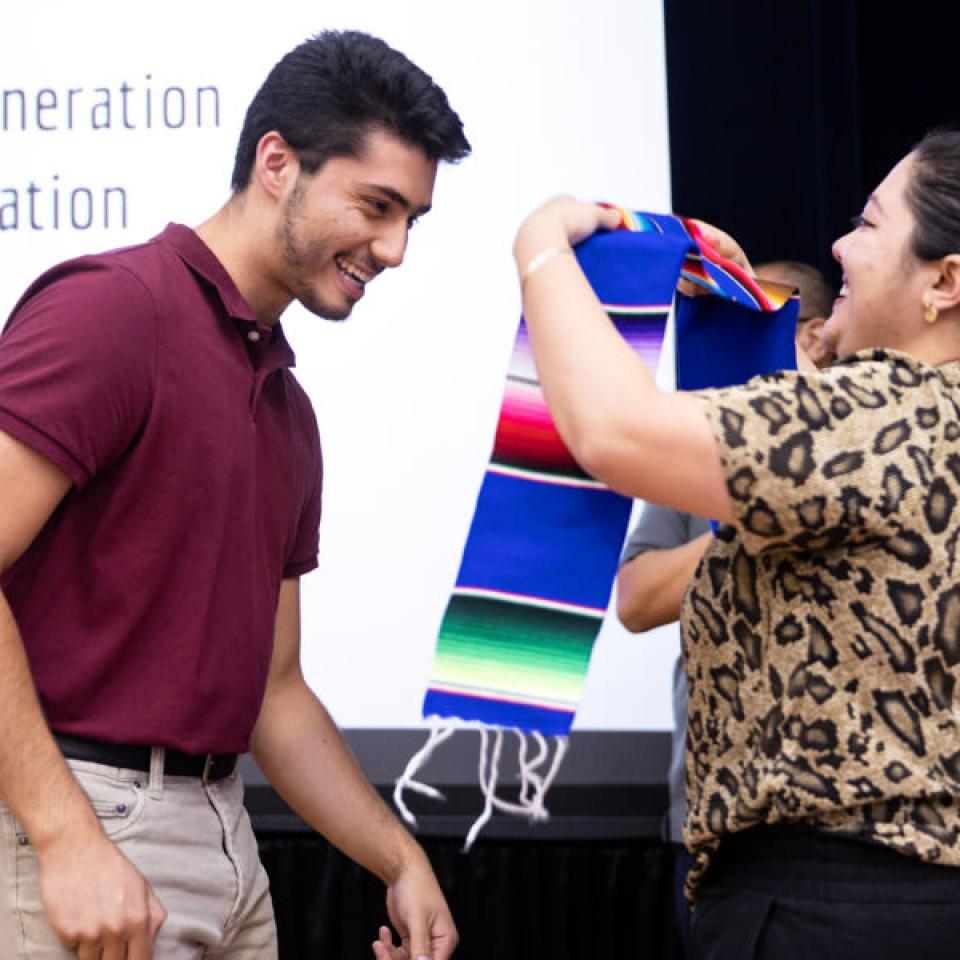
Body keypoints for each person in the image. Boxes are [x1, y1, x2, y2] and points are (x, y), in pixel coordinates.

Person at [0, 30, 469, 960]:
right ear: (276, 163)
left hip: (229, 845)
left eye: (412, 218)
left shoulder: (289, 410)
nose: (396, 248)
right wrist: (64, 836)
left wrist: (401, 860)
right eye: (376, 206)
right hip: (79, 827)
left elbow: (275, 697)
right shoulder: (115, 311)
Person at [515, 128, 960, 958]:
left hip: (832, 916)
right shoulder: (916, 417)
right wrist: (756, 324)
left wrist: (543, 247)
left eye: (868, 224)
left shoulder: (883, 413)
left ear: (945, 280)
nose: (838, 243)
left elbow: (612, 431)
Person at [615, 261, 835, 957]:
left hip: (850, 841)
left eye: (751, 329)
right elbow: (638, 599)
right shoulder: (693, 457)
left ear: (818, 338)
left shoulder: (864, 446)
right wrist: (747, 514)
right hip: (711, 827)